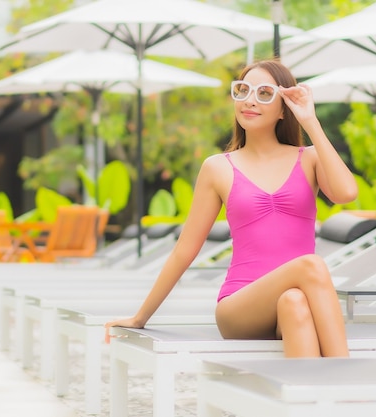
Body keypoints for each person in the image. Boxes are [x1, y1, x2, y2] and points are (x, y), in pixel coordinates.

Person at [104, 59, 358, 358]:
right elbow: (185, 249)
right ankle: (347, 377)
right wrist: (140, 317)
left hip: (292, 300)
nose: (250, 100)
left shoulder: (309, 158)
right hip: (240, 306)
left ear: (283, 108)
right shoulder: (218, 168)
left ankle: (311, 399)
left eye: (264, 93)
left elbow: (346, 193)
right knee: (311, 264)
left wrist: (310, 121)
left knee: (294, 303)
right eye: (242, 90)